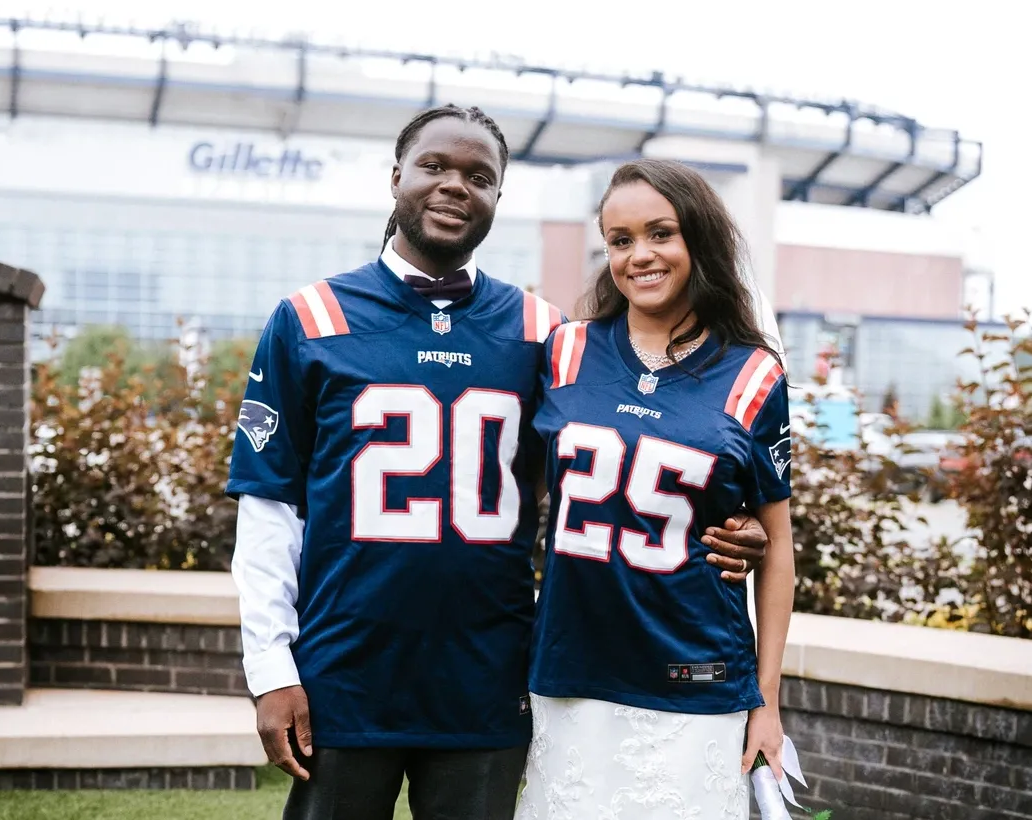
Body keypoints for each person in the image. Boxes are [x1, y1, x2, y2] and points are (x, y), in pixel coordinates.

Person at [226, 105, 773, 820]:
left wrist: (730, 523)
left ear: (497, 199)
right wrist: (270, 669)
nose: (455, 185)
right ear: (395, 178)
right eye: (434, 167)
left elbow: (616, 465)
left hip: (488, 677)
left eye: (478, 176)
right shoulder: (309, 317)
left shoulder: (544, 334)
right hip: (344, 670)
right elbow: (269, 509)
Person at [516, 158, 796, 820]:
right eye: (619, 240)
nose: (638, 255)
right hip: (571, 677)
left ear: (697, 237)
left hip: (694, 680)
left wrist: (767, 701)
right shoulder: (563, 351)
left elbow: (778, 545)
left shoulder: (754, 374)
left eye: (659, 233)